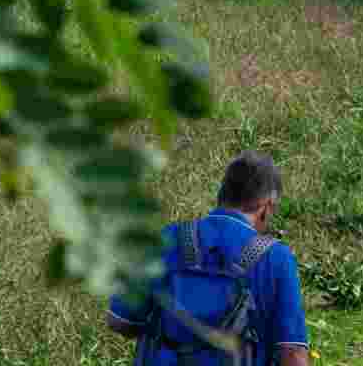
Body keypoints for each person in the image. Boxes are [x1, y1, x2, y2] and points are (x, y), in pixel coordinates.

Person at [107, 151, 310, 366]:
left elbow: (119, 321)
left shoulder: (166, 238)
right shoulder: (276, 257)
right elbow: (293, 354)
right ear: (266, 207)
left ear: (222, 194)